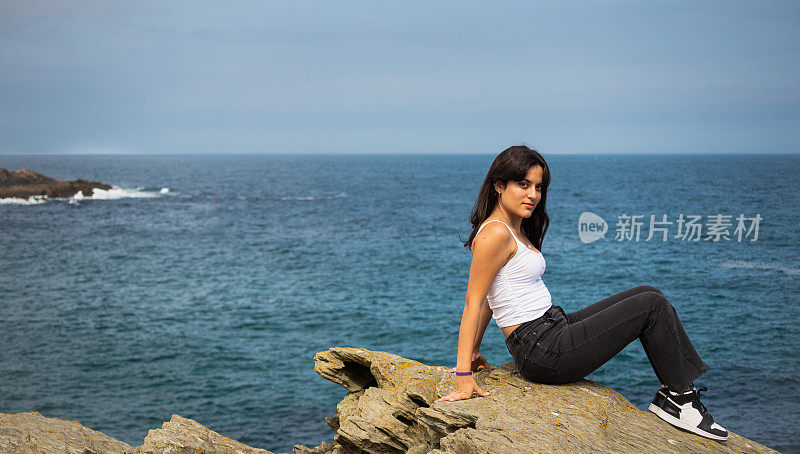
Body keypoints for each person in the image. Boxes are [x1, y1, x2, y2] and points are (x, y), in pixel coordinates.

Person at [435, 145, 728, 441]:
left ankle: (673, 395)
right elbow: (474, 301)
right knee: (650, 306)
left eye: (538, 187)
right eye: (523, 185)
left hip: (551, 327)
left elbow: (490, 298)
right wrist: (463, 376)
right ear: (499, 185)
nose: (533, 195)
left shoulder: (514, 228)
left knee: (650, 293)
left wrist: (473, 352)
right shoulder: (495, 233)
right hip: (541, 350)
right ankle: (682, 400)